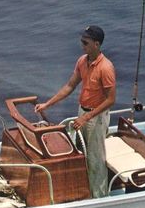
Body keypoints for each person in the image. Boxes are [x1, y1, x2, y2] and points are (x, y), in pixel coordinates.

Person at [35, 25, 116, 198]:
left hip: (96, 117)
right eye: (82, 41)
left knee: (95, 159)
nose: (82, 45)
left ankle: (100, 197)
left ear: (96, 44)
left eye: (85, 42)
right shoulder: (82, 61)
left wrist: (86, 117)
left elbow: (110, 100)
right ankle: (84, 191)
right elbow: (70, 85)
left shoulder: (106, 68)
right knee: (80, 154)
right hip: (83, 113)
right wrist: (47, 104)